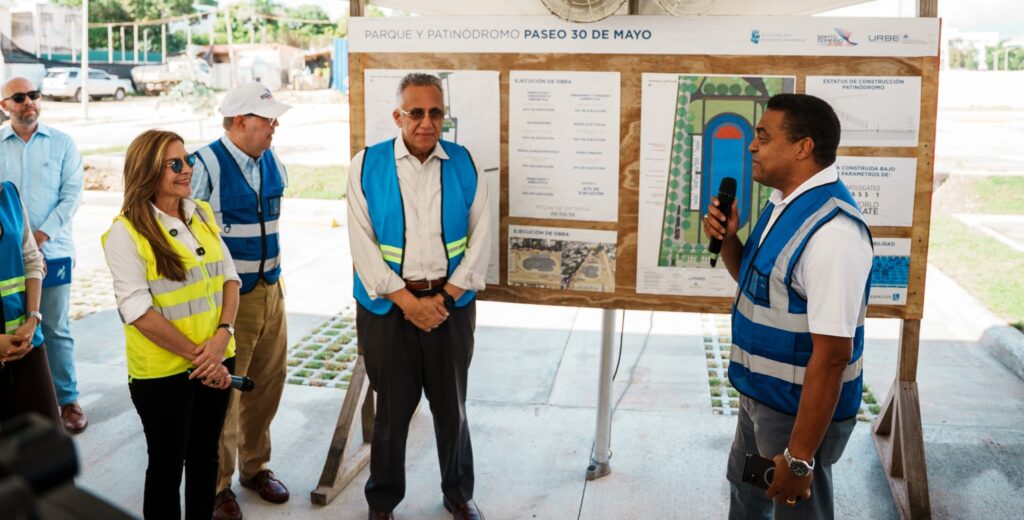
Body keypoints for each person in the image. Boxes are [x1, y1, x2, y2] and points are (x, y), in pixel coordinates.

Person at [703, 94, 873, 520]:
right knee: (749, 494)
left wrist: (799, 460)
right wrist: (728, 239)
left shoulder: (834, 234)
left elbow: (833, 357)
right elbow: (757, 284)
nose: (751, 146)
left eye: (763, 136)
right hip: (760, 398)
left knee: (794, 509)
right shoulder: (783, 204)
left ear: (803, 147)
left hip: (795, 416)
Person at [348, 72, 492, 520]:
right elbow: (362, 245)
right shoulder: (366, 164)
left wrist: (444, 300)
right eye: (416, 112)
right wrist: (409, 303)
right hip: (388, 310)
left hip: (450, 308)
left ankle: (458, 494)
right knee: (391, 414)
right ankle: (383, 502)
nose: (426, 122)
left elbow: (481, 238)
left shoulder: (465, 162)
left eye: (435, 112)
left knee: (453, 409)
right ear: (398, 116)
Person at [102, 129, 239, 519]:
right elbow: (139, 313)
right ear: (147, 171)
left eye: (188, 160)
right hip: (163, 376)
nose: (187, 169)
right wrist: (203, 357)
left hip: (216, 360)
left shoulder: (201, 213)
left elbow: (229, 279)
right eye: (174, 164)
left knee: (204, 459)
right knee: (165, 467)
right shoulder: (125, 233)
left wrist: (223, 336)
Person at [190, 82, 291, 520]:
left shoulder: (273, 161)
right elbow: (185, 237)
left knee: (268, 383)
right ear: (239, 122)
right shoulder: (203, 164)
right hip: (228, 301)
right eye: (266, 119)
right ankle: (218, 487)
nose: (274, 126)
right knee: (225, 394)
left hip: (272, 289)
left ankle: (256, 467)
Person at [0, 77, 86, 433]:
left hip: (53, 251)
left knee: (53, 326)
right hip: (6, 260)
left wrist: (37, 238)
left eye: (33, 95)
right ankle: (23, 400)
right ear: (4, 106)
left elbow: (71, 196)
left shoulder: (62, 144)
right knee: (12, 327)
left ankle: (67, 400)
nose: (28, 102)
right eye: (18, 97)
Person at [0, 180, 60, 425]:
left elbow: (32, 259)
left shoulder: (9, 194)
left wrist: (33, 318)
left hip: (25, 344)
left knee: (47, 445)